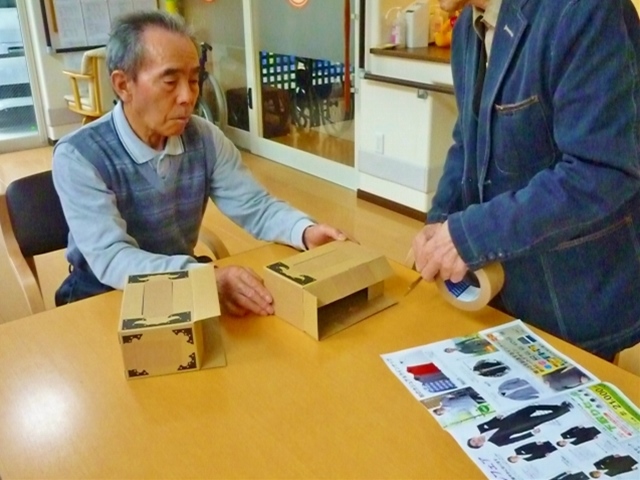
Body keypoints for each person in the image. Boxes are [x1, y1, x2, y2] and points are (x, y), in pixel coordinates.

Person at [52, 11, 346, 315]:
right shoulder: (79, 155)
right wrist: (206, 279)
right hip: (103, 292)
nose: (187, 96)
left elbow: (256, 206)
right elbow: (112, 258)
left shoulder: (204, 137)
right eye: (170, 81)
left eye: (194, 80)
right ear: (123, 85)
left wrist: (305, 231)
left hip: (183, 280)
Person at [411, 0, 640, 360]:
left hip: (576, 299)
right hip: (502, 291)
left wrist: (472, 235)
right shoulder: (467, 29)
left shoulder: (585, 11)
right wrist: (440, 219)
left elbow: (601, 171)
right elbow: (467, 140)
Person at [467, 402, 573, 448]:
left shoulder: (481, 427)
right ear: (481, 445)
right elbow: (516, 439)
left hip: (515, 417)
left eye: (473, 440)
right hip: (523, 426)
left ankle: (558, 407)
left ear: (473, 437)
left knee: (532, 408)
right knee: (544, 418)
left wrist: (497, 417)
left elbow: (492, 421)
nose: (477, 441)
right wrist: (531, 434)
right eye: (476, 444)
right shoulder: (497, 442)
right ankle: (565, 409)